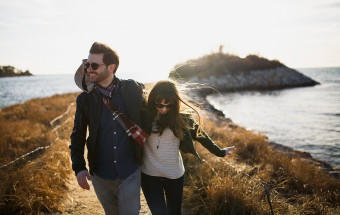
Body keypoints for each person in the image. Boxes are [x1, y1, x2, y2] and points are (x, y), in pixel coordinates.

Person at [69, 42, 148, 215]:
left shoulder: (131, 89)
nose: (89, 69)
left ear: (111, 67)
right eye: (87, 64)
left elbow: (150, 114)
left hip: (130, 171)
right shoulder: (85, 99)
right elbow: (78, 134)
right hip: (101, 174)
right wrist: (79, 167)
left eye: (94, 65)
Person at [141, 80, 235, 215]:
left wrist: (220, 152)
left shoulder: (183, 119)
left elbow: (201, 136)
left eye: (169, 106)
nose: (164, 109)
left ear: (175, 103)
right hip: (149, 176)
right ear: (153, 100)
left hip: (174, 176)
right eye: (160, 105)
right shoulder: (144, 115)